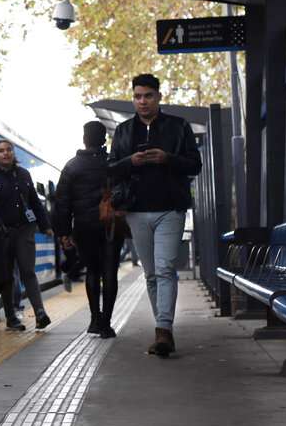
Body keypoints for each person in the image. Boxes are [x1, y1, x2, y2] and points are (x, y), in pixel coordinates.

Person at [108, 74, 201, 358]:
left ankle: (164, 331)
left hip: (170, 209)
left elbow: (194, 165)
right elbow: (111, 169)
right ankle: (161, 326)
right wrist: (130, 162)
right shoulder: (123, 131)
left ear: (158, 97)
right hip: (136, 211)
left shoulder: (178, 126)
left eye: (148, 96)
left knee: (165, 268)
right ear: (133, 98)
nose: (142, 101)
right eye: (137, 96)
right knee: (150, 274)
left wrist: (167, 158)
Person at [54, 121, 122, 339]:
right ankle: (107, 324)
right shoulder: (113, 163)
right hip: (110, 224)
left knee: (93, 271)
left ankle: (94, 319)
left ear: (84, 138)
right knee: (110, 272)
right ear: (104, 139)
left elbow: (62, 203)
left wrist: (64, 233)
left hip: (84, 227)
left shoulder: (72, 166)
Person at [0, 139, 52, 331]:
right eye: (1, 151)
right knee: (7, 275)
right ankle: (11, 318)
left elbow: (35, 202)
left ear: (13, 153)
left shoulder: (24, 175)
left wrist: (45, 226)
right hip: (1, 234)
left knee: (28, 271)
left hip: (24, 230)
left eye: (9, 150)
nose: (6, 153)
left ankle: (40, 313)